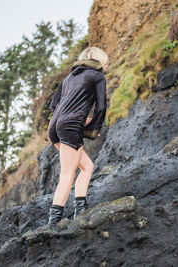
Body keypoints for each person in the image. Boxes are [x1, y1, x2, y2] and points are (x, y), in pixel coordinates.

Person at [46, 46, 109, 227]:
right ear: (100, 60)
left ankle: (80, 211)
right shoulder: (97, 76)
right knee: (67, 174)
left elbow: (54, 105)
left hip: (55, 126)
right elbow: (101, 107)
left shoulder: (68, 78)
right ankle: (53, 223)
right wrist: (93, 129)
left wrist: (73, 117)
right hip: (70, 126)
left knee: (87, 167)